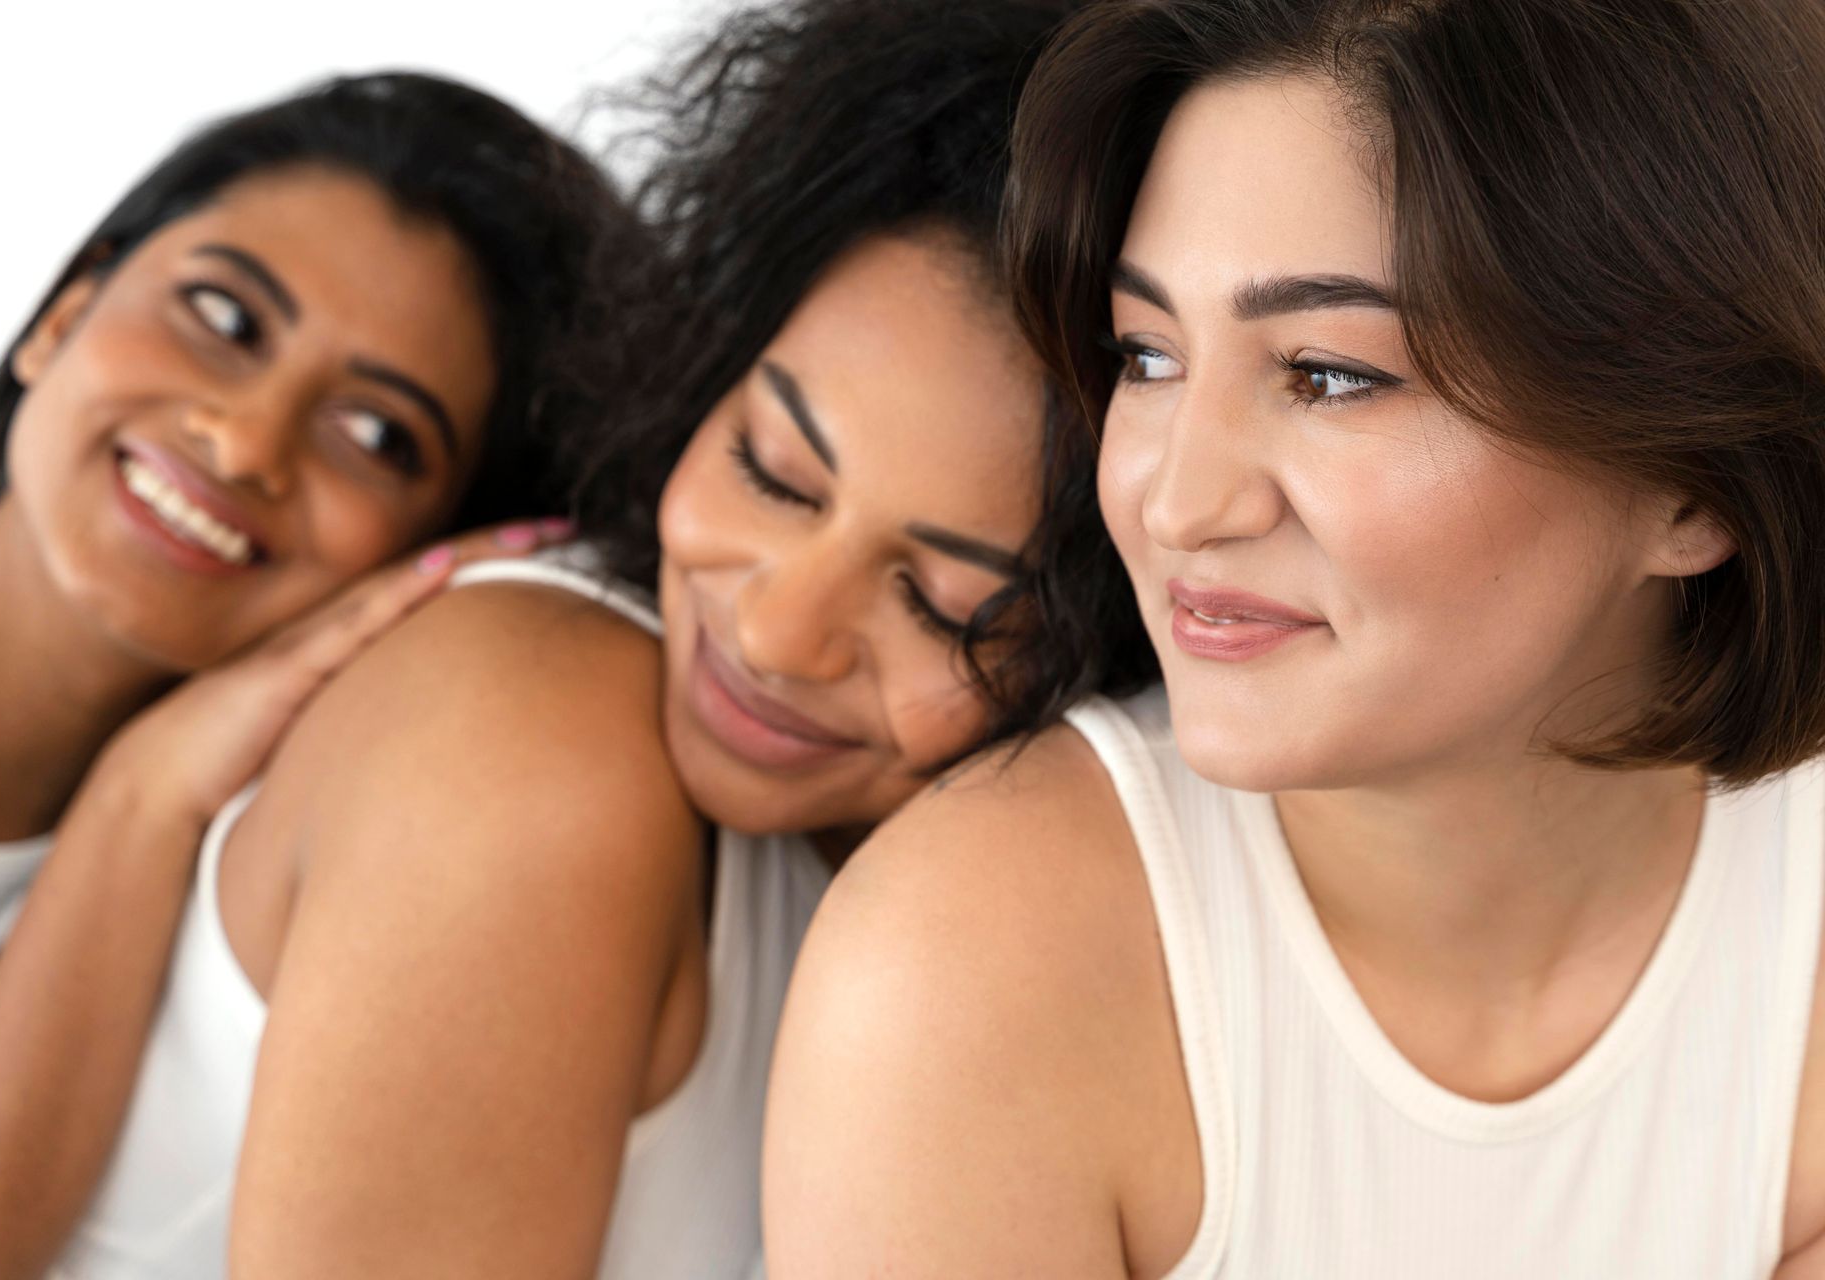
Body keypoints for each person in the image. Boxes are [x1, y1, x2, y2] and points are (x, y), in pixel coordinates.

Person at [44, 2, 1152, 1276]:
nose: (780, 632)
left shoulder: (966, 897)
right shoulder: (536, 744)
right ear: (704, 375)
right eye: (775, 470)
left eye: (947, 606)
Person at [763, 1, 1825, 1276]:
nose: (1175, 501)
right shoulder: (964, 973)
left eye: (1326, 373)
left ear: (1695, 485)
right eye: (1146, 355)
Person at [0, 71, 632, 1277]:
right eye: (226, 318)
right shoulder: (158, 789)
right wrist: (140, 800)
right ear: (60, 315)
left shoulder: (266, 825)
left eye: (378, 435)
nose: (244, 440)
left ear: (429, 548)